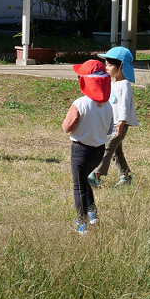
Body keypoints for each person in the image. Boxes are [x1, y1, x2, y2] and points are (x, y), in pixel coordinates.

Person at [62, 60, 114, 235]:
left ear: (84, 81)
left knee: (78, 187)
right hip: (98, 151)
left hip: (80, 151)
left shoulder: (80, 103)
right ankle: (93, 214)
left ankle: (82, 224)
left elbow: (66, 127)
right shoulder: (107, 105)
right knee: (84, 182)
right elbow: (108, 129)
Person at [89, 46, 139, 188]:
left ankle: (96, 175)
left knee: (108, 149)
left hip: (120, 123)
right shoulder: (112, 83)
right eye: (106, 65)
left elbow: (124, 105)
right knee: (117, 151)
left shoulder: (124, 85)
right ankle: (126, 176)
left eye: (110, 65)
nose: (107, 68)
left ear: (121, 66)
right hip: (112, 123)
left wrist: (122, 122)